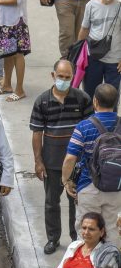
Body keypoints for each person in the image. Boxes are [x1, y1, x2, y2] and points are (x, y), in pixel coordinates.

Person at [30, 59, 93, 254]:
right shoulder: (42, 101)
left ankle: (76, 239)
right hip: (51, 163)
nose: (64, 80)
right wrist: (38, 161)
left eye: (68, 77)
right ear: (53, 76)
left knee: (77, 202)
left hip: (77, 165)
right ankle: (53, 239)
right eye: (61, 77)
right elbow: (37, 133)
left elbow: (90, 130)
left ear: (73, 77)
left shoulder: (82, 99)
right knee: (51, 203)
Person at [62, 83, 121, 247]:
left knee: (86, 233)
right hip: (116, 187)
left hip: (89, 186)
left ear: (95, 101)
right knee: (111, 230)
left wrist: (66, 180)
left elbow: (70, 159)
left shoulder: (84, 126)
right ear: (116, 102)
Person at [78, 0, 121, 97]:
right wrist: (79, 52)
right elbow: (84, 29)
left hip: (114, 61)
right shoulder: (91, 5)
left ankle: (110, 117)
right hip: (93, 58)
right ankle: (90, 116)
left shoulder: (120, 7)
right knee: (89, 95)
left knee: (111, 97)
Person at [54, 213, 121, 268]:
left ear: (102, 232)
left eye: (91, 229)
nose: (86, 232)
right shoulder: (73, 246)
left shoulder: (108, 254)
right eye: (84, 228)